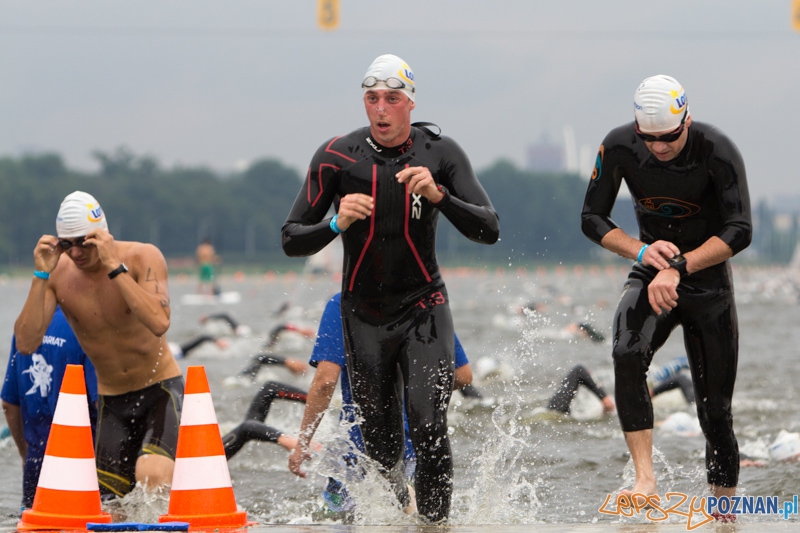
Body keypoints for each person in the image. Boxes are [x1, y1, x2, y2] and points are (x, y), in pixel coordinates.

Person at [282, 54, 499, 523]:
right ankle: (404, 514)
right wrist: (336, 222)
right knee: (381, 448)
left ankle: (435, 523)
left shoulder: (440, 154)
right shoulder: (337, 156)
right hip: (363, 316)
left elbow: (489, 229)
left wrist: (441, 196)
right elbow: (291, 238)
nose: (381, 109)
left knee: (427, 424)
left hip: (424, 307)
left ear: (410, 103)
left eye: (392, 99)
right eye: (372, 99)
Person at [581, 75, 751, 506]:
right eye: (649, 138)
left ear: (686, 121)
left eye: (670, 137)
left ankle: (724, 511)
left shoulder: (717, 149)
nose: (658, 147)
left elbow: (740, 229)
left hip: (707, 283)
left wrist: (679, 266)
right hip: (651, 269)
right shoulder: (619, 146)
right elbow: (592, 218)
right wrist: (642, 252)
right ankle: (645, 480)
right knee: (625, 353)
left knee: (715, 415)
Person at [13, 191, 184, 499]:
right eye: (67, 244)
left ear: (101, 234)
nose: (76, 252)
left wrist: (114, 266)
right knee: (108, 505)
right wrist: (40, 274)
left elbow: (160, 321)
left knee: (152, 476)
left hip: (160, 391)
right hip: (112, 402)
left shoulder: (141, 257)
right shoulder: (57, 274)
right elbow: (26, 343)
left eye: (84, 241)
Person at [287, 292, 480, 518]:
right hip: (416, 445)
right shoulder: (423, 302)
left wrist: (302, 444)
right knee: (413, 518)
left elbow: (325, 382)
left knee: (339, 521)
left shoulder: (343, 303)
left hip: (359, 445)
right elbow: (463, 375)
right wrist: (415, 392)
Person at [1, 307, 98, 510]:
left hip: (36, 468)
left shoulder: (25, 329)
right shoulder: (86, 326)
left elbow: (8, 404)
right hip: (80, 470)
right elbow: (102, 403)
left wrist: (25, 455)